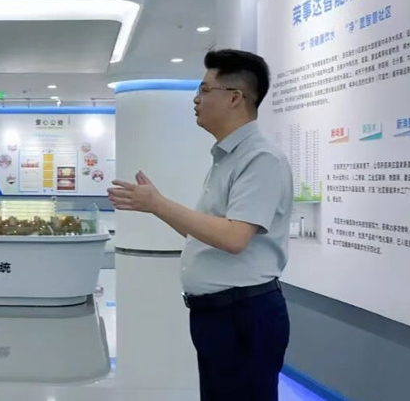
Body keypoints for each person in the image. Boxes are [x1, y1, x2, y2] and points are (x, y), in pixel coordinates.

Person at [108, 49, 293, 401]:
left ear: (235, 98)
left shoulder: (261, 158)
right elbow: (205, 233)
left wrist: (159, 203)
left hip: (244, 314)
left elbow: (235, 237)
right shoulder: (227, 158)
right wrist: (156, 207)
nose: (196, 99)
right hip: (220, 314)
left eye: (205, 90)